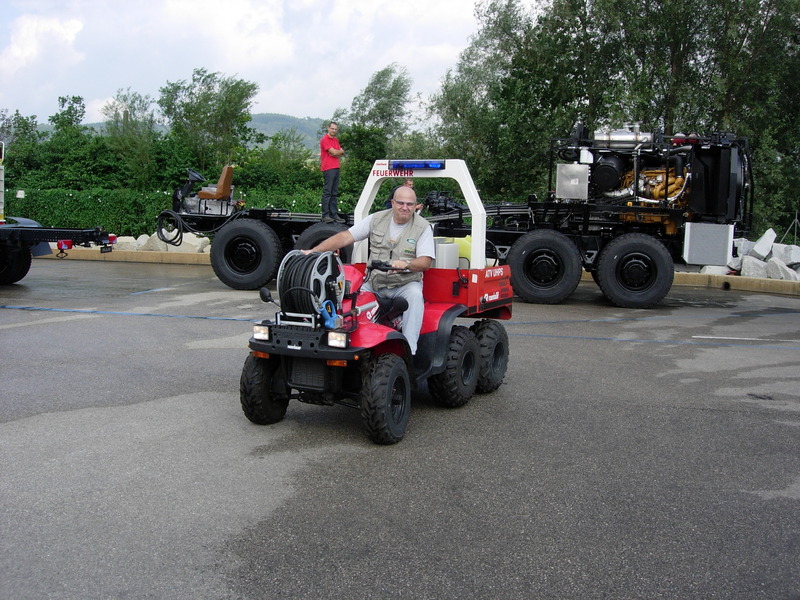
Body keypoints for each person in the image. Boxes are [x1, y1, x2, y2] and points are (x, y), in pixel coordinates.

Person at [303, 185, 435, 355]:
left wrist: (406, 265)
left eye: (410, 204)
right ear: (392, 203)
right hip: (374, 282)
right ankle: (338, 343)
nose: (405, 208)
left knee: (415, 297)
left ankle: (408, 352)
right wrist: (314, 251)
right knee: (349, 303)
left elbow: (425, 262)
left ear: (416, 205)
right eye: (401, 203)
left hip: (405, 284)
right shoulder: (376, 219)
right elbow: (345, 237)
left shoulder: (423, 227)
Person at [320, 121, 345, 223]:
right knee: (328, 192)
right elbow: (335, 152)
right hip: (328, 168)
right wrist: (336, 152)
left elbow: (339, 153)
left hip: (336, 167)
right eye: (332, 129)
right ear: (328, 128)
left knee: (334, 193)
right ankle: (325, 214)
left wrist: (336, 152)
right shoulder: (325, 139)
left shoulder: (335, 140)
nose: (334, 130)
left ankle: (334, 214)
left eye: (335, 129)